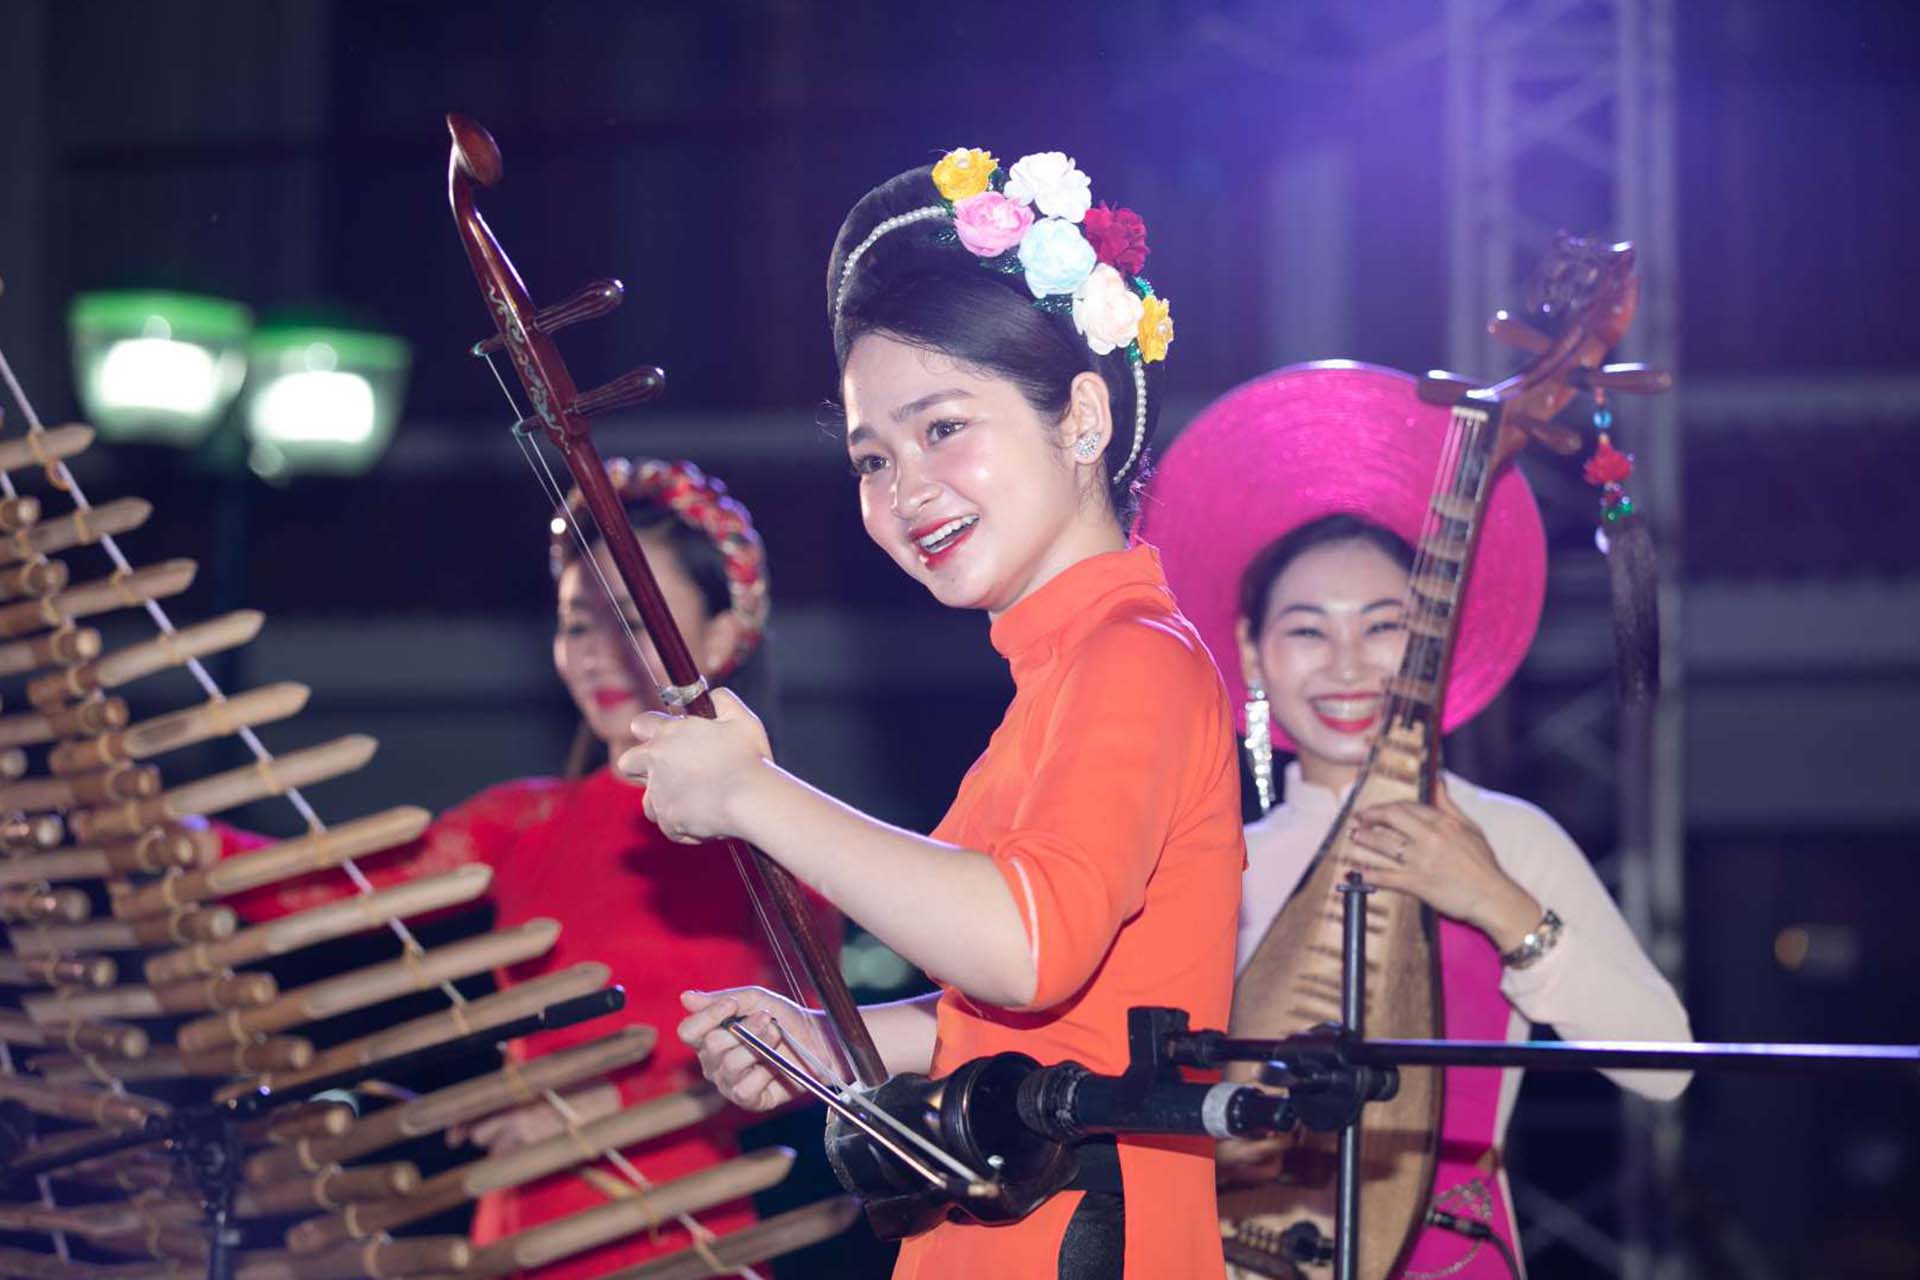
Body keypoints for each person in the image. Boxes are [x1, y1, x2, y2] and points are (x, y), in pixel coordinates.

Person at [638, 147, 1243, 1278]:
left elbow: (1025, 946)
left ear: (1081, 420)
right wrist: (828, 1035)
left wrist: (750, 793)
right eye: (873, 455)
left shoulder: (1134, 659)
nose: (904, 487)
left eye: (942, 427)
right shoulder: (1062, 678)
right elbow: (1030, 1020)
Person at [1142, 360, 1692, 1277]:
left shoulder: (1507, 839)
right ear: (1252, 652)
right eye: (1308, 631)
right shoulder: (1206, 860)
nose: (1348, 665)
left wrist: (1490, 899)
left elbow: (1666, 1068)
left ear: (1436, 638)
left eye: (1386, 626)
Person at [226, 456, 789, 1280]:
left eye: (631, 620)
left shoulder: (776, 825)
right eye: (575, 624)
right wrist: (173, 832)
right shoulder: (526, 821)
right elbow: (323, 892)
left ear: (719, 636)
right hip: (520, 1231)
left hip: (684, 1237)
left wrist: (609, 1108)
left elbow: (810, 1049)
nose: (596, 653)